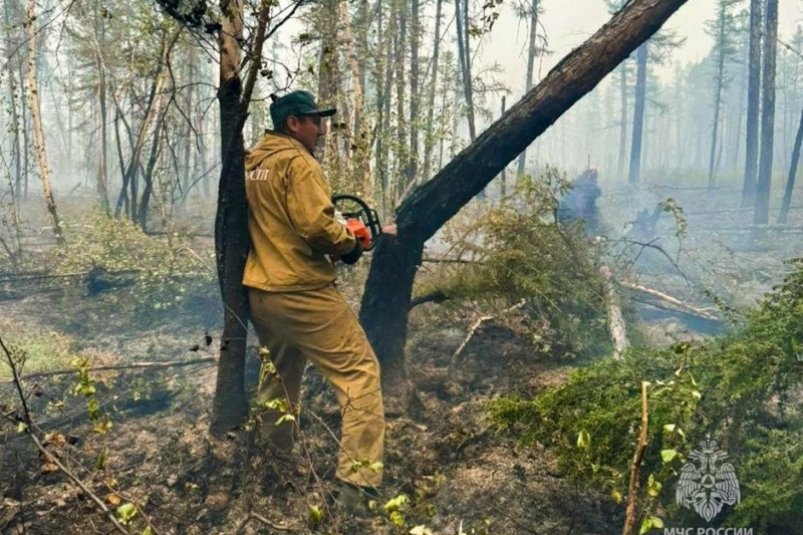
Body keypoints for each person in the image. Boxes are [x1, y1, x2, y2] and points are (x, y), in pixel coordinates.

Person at [243, 90, 394, 510]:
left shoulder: (253, 161)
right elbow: (315, 226)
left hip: (261, 292)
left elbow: (283, 221)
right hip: (301, 291)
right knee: (360, 373)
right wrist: (349, 244)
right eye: (314, 121)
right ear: (293, 123)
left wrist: (338, 228)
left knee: (279, 377)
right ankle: (357, 486)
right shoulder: (298, 162)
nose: (321, 129)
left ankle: (275, 463)